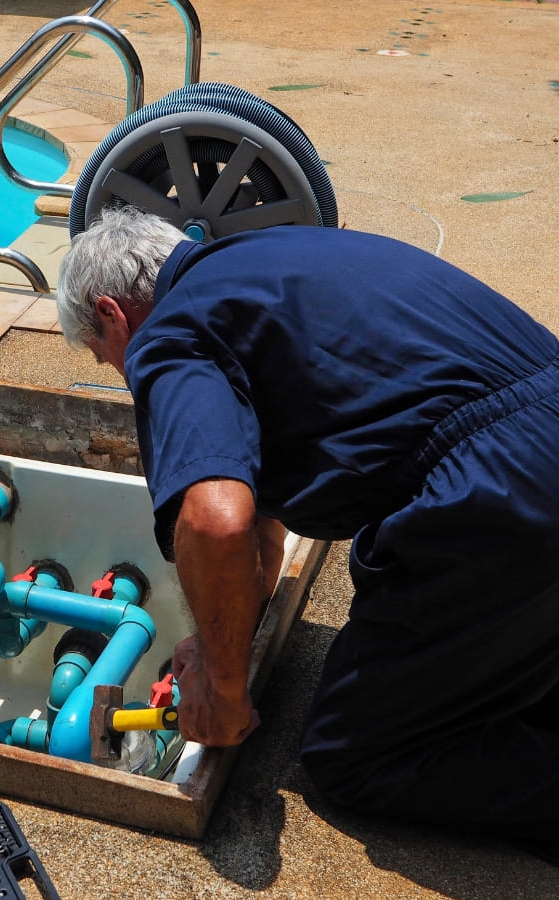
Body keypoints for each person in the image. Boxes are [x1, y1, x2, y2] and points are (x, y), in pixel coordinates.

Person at [56, 205, 559, 860]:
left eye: (104, 358)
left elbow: (215, 520)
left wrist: (225, 692)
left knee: (356, 751)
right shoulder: (270, 262)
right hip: (536, 441)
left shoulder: (169, 334)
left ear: (113, 315)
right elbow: (260, 526)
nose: (122, 376)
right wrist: (216, 642)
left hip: (509, 491)